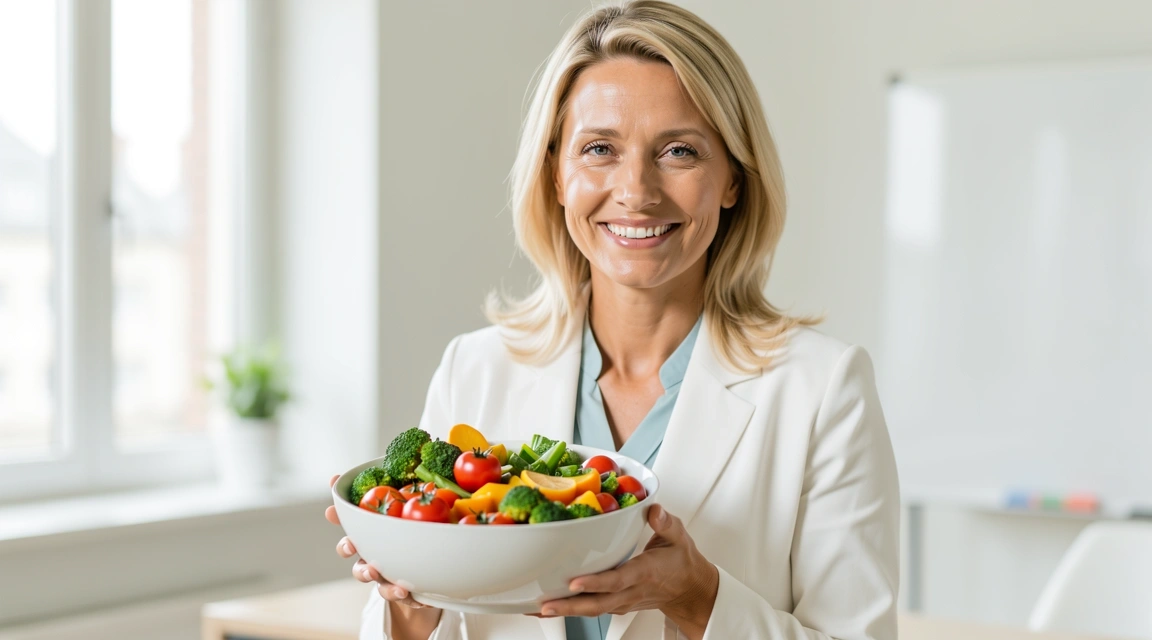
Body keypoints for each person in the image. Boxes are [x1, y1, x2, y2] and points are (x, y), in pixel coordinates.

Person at [324, 2, 900, 638]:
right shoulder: (475, 370)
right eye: (599, 148)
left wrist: (699, 597)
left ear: (733, 178)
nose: (636, 190)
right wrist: (409, 600)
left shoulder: (824, 390)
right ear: (557, 176)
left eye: (679, 151)